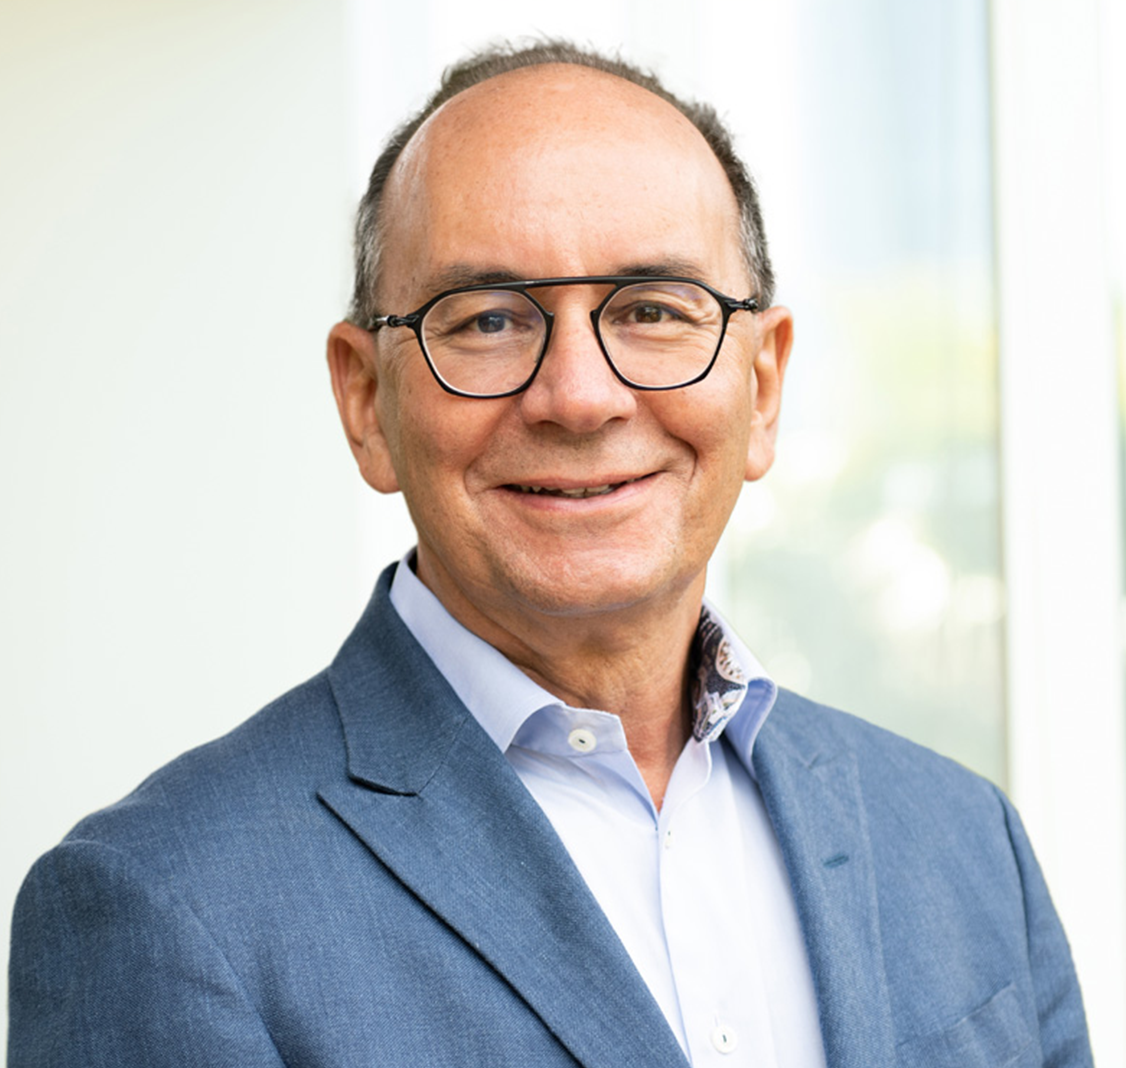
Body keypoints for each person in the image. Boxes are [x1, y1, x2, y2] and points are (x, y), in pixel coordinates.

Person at [8, 40, 1092, 1068]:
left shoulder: (963, 842)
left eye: (655, 309)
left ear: (761, 386)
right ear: (365, 402)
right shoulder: (162, 905)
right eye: (485, 320)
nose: (579, 395)